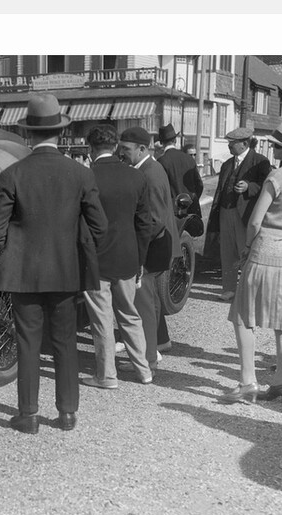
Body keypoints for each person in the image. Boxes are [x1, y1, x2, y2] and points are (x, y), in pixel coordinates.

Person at [0, 93, 107, 434]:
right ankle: (67, 413)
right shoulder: (80, 174)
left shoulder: (12, 174)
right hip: (66, 273)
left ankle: (29, 414)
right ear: (61, 132)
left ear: (28, 133)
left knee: (27, 342)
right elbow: (100, 226)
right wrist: (77, 252)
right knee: (65, 342)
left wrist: (9, 254)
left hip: (24, 274)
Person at [219, 119, 282, 404]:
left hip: (265, 253)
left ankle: (247, 382)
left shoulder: (277, 177)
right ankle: (281, 381)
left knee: (242, 316)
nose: (272, 148)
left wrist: (247, 249)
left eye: (275, 144)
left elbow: (255, 221)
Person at [82, 125, 156, 388]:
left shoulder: (87, 177)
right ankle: (144, 370)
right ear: (115, 147)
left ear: (90, 149)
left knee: (102, 318)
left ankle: (107, 375)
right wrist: (140, 260)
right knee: (129, 313)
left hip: (96, 259)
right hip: (128, 256)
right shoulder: (136, 177)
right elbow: (144, 224)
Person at [116, 126, 178, 374]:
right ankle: (149, 354)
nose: (122, 153)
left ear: (142, 149)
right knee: (149, 304)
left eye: (126, 149)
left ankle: (147, 360)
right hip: (157, 246)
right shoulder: (152, 168)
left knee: (144, 307)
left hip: (150, 249)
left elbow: (153, 221)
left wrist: (136, 253)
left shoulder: (148, 174)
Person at [207, 127, 272, 301]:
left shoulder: (260, 161)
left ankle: (248, 291)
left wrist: (249, 187)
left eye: (232, 143)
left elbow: (267, 186)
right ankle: (229, 289)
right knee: (227, 252)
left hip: (245, 215)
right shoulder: (227, 164)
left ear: (244, 144)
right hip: (225, 212)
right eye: (229, 142)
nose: (229, 146)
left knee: (246, 252)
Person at [156, 124, 204, 222]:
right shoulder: (189, 159)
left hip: (173, 212)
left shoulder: (161, 161)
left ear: (161, 142)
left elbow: (161, 189)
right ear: (175, 140)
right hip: (191, 210)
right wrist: (193, 200)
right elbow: (199, 185)